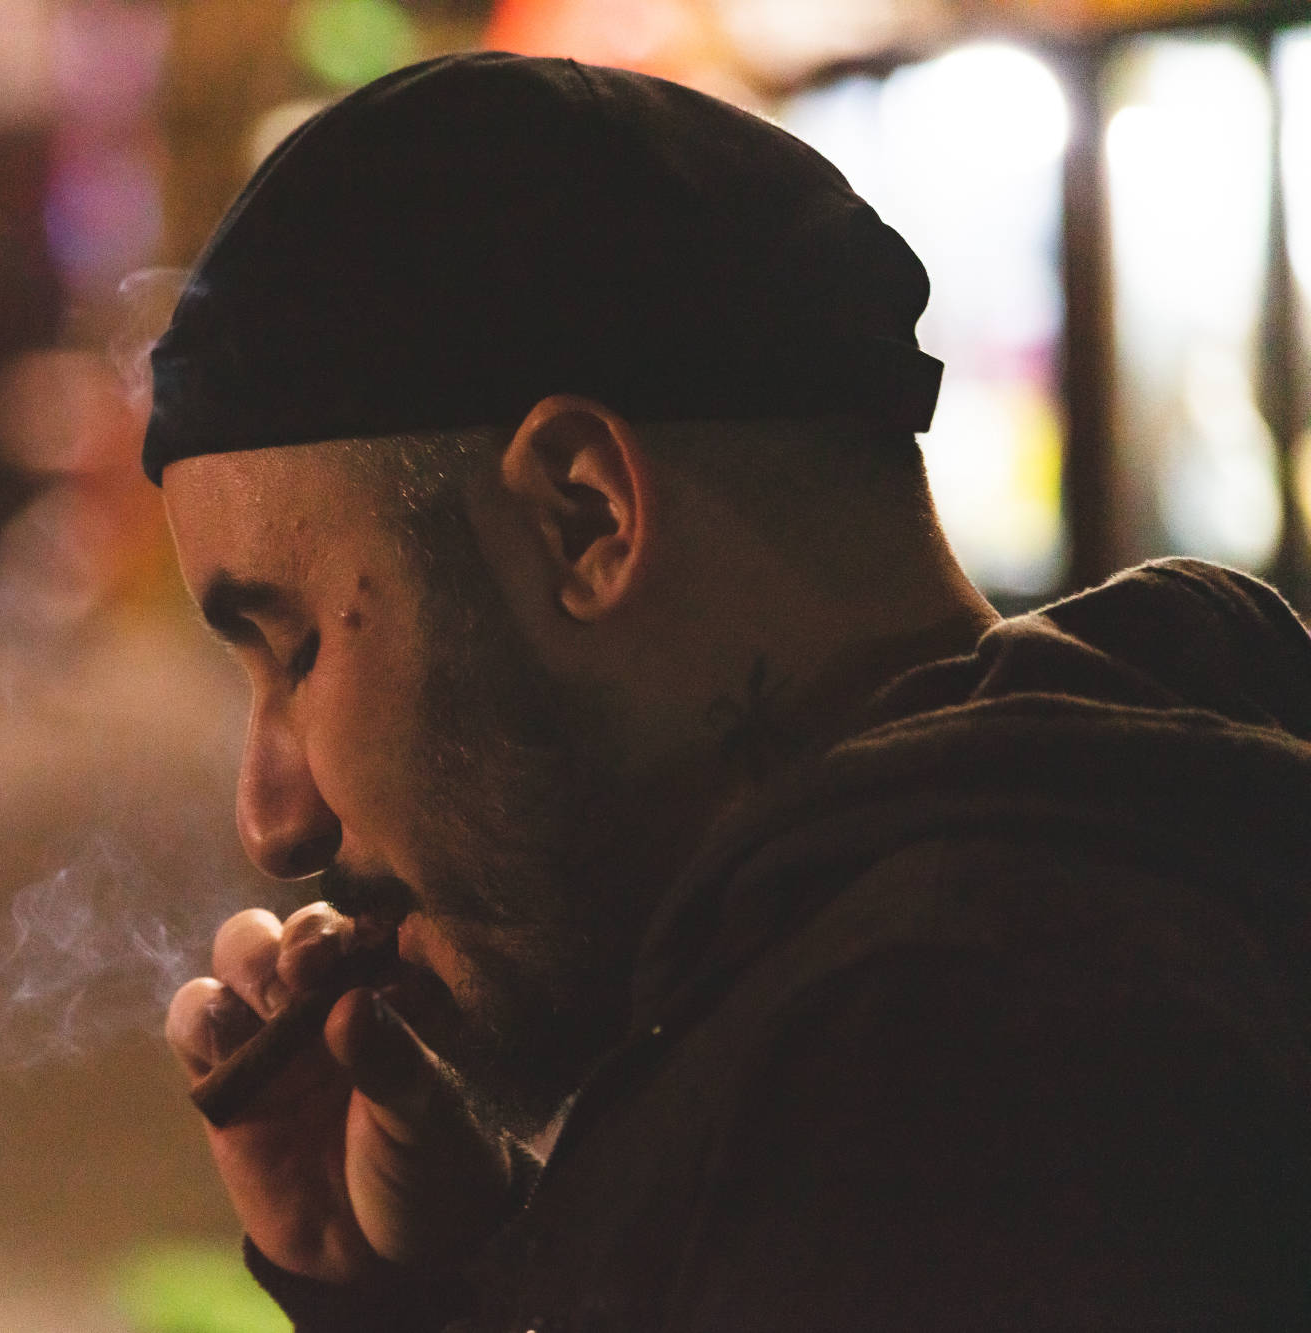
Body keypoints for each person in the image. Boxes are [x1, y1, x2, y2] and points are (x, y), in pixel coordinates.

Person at [150, 52, 1311, 1332]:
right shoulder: (1065, 923)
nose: (273, 822)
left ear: (582, 514)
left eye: (297, 650)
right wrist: (446, 1287)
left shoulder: (945, 1087)